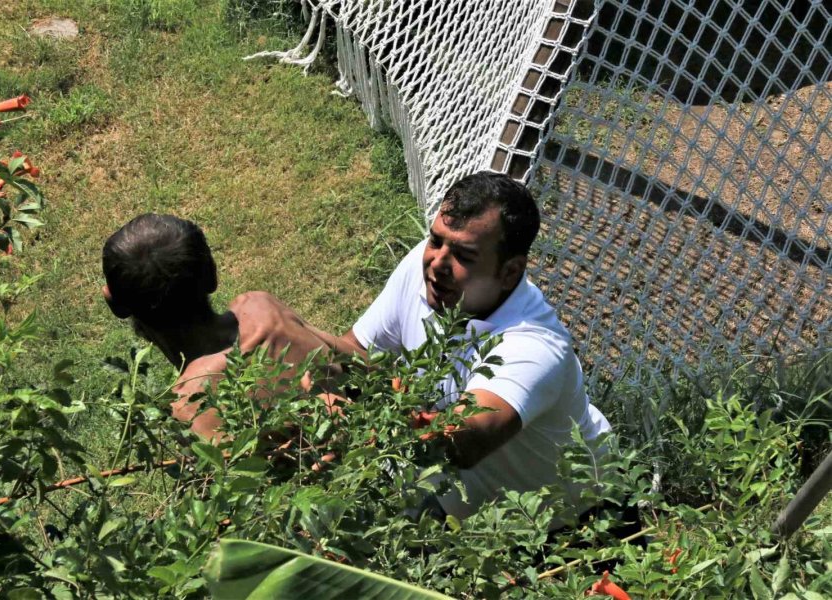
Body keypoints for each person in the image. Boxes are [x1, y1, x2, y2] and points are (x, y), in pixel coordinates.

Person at [238, 171, 612, 519]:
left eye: (464, 255)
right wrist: (297, 338)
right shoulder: (430, 271)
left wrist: (313, 349)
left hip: (564, 524)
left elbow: (462, 443)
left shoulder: (533, 347)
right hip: (454, 498)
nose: (437, 263)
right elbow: (359, 353)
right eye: (435, 240)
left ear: (510, 271)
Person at [101, 213, 328, 440]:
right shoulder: (262, 311)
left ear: (115, 305)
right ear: (212, 274)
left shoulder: (184, 413)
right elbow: (354, 357)